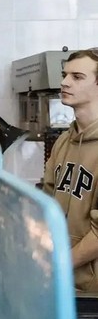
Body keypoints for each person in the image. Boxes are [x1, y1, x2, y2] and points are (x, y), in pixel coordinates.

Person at [43, 48, 98, 292]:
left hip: (91, 291)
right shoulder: (64, 141)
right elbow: (45, 203)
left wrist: (58, 266)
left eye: (77, 77)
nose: (65, 82)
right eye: (64, 75)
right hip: (63, 282)